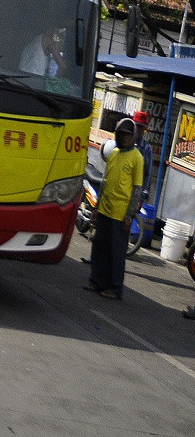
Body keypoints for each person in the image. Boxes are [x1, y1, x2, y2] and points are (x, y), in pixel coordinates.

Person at [83, 117, 144, 300]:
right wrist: (96, 208)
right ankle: (96, 281)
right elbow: (105, 183)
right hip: (104, 210)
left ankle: (115, 288)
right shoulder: (114, 154)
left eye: (127, 135)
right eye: (121, 135)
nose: (124, 138)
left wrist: (129, 215)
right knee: (99, 248)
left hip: (120, 214)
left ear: (132, 137)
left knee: (116, 253)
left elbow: (136, 190)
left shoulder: (137, 158)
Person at [132, 110, 154, 201]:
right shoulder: (123, 141)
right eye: (136, 126)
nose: (138, 129)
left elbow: (147, 173)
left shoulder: (146, 148)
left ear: (144, 129)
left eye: (141, 127)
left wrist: (142, 197)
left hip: (134, 192)